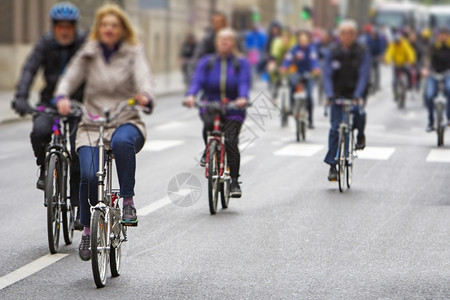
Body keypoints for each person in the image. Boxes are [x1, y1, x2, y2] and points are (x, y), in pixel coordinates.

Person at [54, 3, 154, 261]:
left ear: (122, 29)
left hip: (125, 119)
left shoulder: (132, 52)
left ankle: (128, 200)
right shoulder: (88, 53)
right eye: (104, 25)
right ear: (99, 28)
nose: (109, 29)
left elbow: (143, 76)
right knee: (87, 173)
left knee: (122, 143)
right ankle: (87, 230)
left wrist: (145, 95)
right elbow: (70, 76)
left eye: (114, 25)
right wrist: (63, 95)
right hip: (91, 123)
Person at [11, 2, 85, 225]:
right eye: (60, 27)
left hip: (78, 103)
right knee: (40, 131)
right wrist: (21, 98)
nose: (64, 31)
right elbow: (29, 69)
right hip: (49, 102)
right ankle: (44, 167)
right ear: (54, 28)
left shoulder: (83, 44)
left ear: (74, 28)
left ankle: (77, 205)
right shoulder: (45, 44)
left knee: (79, 150)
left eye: (68, 27)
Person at [184, 28, 251, 198]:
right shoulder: (207, 62)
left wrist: (242, 97)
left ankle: (234, 181)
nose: (224, 42)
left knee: (230, 140)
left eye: (228, 39)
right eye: (221, 39)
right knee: (208, 124)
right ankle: (209, 149)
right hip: (211, 104)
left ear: (233, 43)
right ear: (216, 42)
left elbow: (243, 82)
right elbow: (197, 80)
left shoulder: (240, 63)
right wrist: (191, 95)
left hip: (233, 106)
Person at [323, 20, 371, 181]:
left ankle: (360, 135)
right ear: (339, 35)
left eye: (350, 33)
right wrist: (329, 94)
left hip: (356, 93)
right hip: (338, 94)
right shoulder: (333, 52)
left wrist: (358, 96)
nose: (347, 36)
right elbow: (327, 74)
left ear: (354, 35)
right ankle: (332, 165)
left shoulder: (362, 51)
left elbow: (364, 76)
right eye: (344, 33)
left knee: (359, 113)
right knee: (335, 128)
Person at [281, 30, 320, 129]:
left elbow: (314, 60)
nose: (303, 42)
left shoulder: (311, 50)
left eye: (305, 40)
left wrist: (315, 69)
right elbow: (288, 59)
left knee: (309, 96)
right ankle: (292, 107)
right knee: (292, 87)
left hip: (308, 74)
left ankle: (310, 119)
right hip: (296, 73)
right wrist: (284, 67)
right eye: (301, 40)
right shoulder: (294, 49)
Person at [422, 27, 450, 132]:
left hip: (447, 74)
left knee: (449, 89)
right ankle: (431, 122)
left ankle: (449, 117)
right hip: (433, 74)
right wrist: (425, 69)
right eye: (440, 34)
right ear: (437, 36)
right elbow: (426, 58)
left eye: (445, 34)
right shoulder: (433, 46)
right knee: (429, 95)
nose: (442, 36)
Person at [189, 11, 228, 76]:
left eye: (220, 22)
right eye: (216, 22)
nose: (218, 25)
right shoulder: (207, 40)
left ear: (225, 23)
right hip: (211, 73)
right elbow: (198, 57)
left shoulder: (233, 38)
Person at [384, 32, 416, 101]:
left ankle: (410, 86)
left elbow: (410, 52)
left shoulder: (405, 44)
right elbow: (389, 53)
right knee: (394, 80)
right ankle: (395, 94)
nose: (398, 43)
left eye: (398, 42)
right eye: (396, 42)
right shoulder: (392, 45)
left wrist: (411, 60)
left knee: (409, 73)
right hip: (396, 64)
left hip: (404, 63)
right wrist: (387, 60)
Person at [359, 23, 387, 92]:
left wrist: (381, 55)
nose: (373, 35)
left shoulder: (379, 39)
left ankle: (377, 85)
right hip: (370, 56)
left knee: (377, 72)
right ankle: (370, 85)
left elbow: (381, 47)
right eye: (373, 34)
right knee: (370, 72)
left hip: (377, 56)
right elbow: (366, 47)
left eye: (375, 34)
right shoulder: (369, 39)